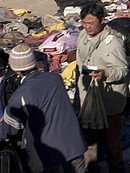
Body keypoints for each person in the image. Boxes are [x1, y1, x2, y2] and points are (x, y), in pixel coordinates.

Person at [0, 44, 87, 173]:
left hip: (47, 155)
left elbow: (9, 130)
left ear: (15, 69)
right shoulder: (55, 79)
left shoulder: (19, 96)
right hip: (73, 144)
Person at [76, 4, 129, 173]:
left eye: (91, 22)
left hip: (109, 101)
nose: (87, 26)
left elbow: (122, 70)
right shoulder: (82, 37)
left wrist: (105, 74)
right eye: (84, 23)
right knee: (90, 139)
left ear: (102, 20)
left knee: (112, 140)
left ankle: (117, 168)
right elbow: (80, 64)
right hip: (88, 98)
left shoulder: (113, 42)